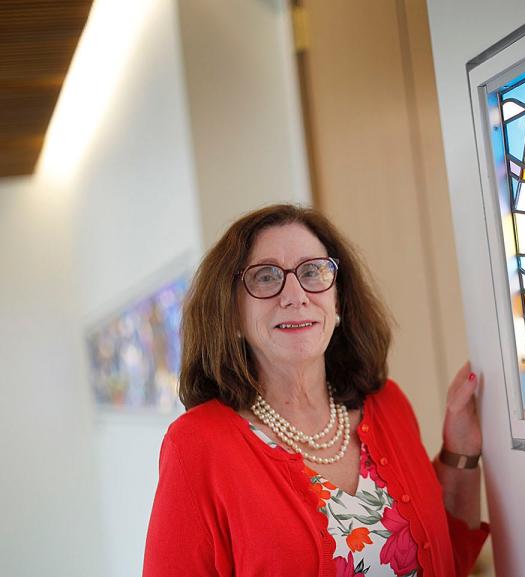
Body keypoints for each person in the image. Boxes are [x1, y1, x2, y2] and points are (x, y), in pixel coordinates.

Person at [143, 204, 488, 577]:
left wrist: (460, 450)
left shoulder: (388, 404)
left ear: (337, 301)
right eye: (265, 277)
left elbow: (448, 556)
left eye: (313, 272)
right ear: (231, 313)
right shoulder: (197, 445)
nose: (295, 295)